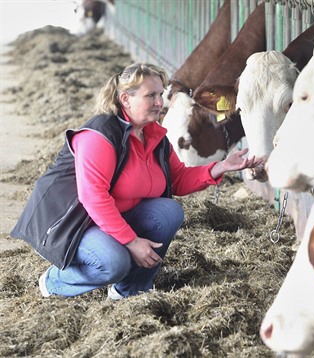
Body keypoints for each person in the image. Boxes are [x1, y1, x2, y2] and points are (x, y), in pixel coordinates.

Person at [11, 63, 263, 299]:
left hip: (110, 218)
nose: (159, 102)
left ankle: (129, 291)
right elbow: (93, 197)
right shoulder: (100, 135)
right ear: (125, 100)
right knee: (114, 262)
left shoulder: (155, 137)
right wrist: (132, 243)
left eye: (160, 94)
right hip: (74, 223)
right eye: (150, 96)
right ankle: (55, 282)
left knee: (168, 211)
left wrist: (221, 167)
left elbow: (178, 179)